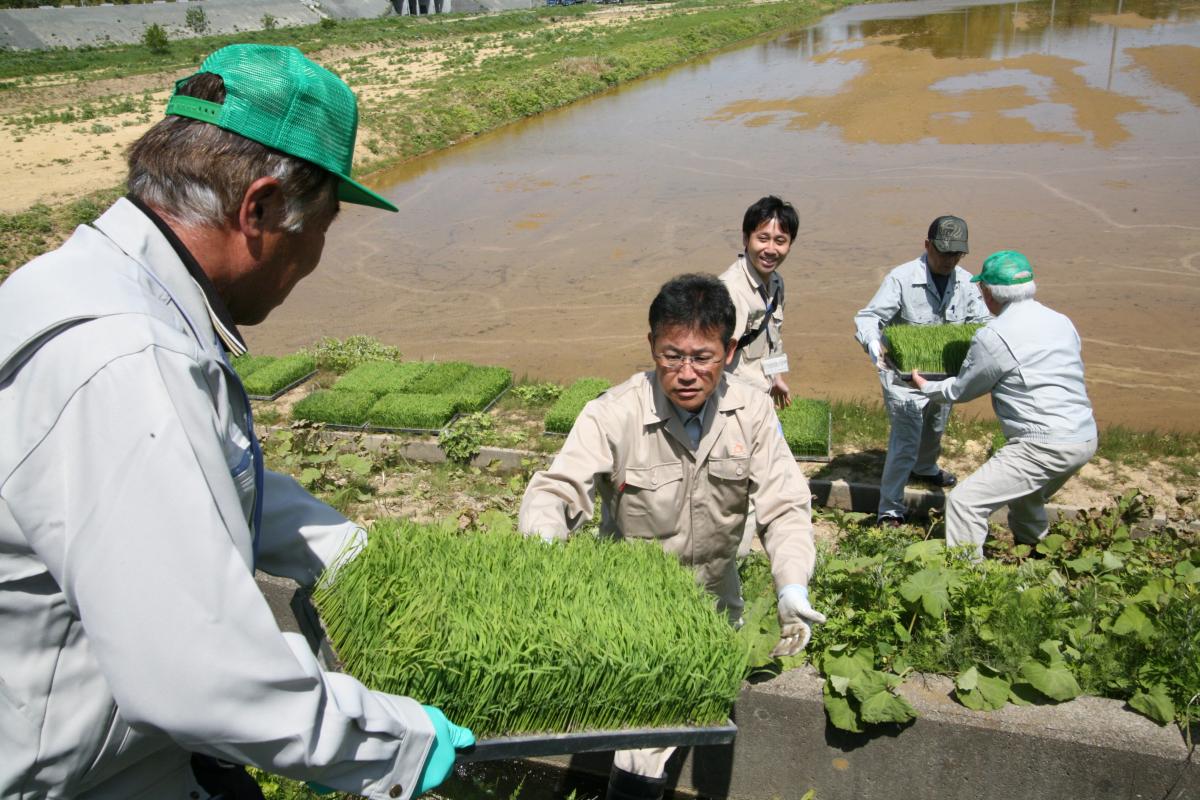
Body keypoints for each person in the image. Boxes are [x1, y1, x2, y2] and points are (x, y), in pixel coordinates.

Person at [0, 45, 473, 800]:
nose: (316, 255)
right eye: (322, 225)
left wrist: (357, 557)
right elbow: (195, 668)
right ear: (257, 209)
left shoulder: (84, 280)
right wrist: (397, 744)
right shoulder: (126, 356)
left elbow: (198, 470)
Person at [518, 273, 823, 800]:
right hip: (633, 607)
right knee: (642, 746)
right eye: (671, 355)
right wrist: (546, 552)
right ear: (651, 348)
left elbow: (786, 504)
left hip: (713, 598)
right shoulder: (614, 412)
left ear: (729, 352)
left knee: (697, 713)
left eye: (702, 357)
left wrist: (791, 585)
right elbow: (556, 490)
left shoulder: (751, 410)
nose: (686, 373)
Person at [912, 251, 1097, 560]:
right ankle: (1040, 555)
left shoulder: (994, 335)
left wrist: (926, 386)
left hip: (1042, 444)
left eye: (982, 289)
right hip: (1084, 437)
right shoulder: (1061, 321)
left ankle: (968, 581)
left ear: (989, 293)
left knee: (964, 503)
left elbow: (962, 390)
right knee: (1026, 497)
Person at [853, 215, 992, 526]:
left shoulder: (967, 284)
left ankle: (926, 468)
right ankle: (890, 508)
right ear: (927, 245)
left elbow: (985, 324)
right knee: (905, 440)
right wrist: (874, 346)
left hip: (945, 376)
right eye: (942, 252)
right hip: (903, 379)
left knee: (935, 427)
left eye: (956, 254)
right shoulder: (901, 278)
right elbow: (868, 318)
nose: (948, 260)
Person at [719, 195, 798, 409]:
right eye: (763, 238)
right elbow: (712, 354)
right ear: (746, 239)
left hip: (761, 397)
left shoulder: (777, 283)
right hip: (732, 402)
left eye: (780, 241)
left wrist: (776, 378)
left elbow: (774, 338)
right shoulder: (730, 290)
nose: (771, 249)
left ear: (790, 245)